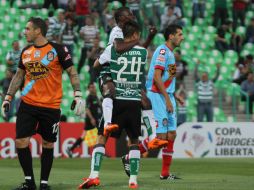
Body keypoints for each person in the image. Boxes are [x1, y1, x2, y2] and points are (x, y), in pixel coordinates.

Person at [1, 17, 84, 190]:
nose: (25, 32)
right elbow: (18, 77)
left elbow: (72, 72)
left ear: (38, 30)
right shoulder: (26, 51)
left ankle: (44, 183)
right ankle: (30, 182)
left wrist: (77, 95)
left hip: (51, 106)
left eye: (28, 28)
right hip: (28, 104)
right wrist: (8, 97)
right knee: (21, 142)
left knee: (48, 144)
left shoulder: (58, 50)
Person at [78, 20, 146, 189]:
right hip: (134, 101)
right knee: (134, 140)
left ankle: (94, 175)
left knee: (102, 137)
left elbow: (96, 65)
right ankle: (133, 180)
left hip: (117, 100)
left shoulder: (111, 50)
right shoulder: (143, 52)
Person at [122, 24, 185, 180]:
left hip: (167, 95)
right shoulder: (162, 51)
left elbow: (168, 79)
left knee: (172, 135)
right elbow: (157, 78)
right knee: (161, 138)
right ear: (171, 36)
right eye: (179, 34)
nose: (182, 37)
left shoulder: (171, 54)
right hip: (158, 96)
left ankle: (165, 173)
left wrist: (174, 96)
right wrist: (167, 100)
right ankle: (129, 157)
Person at [66, 82, 102, 157]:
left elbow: (99, 107)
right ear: (88, 89)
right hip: (91, 119)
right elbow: (87, 109)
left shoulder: (95, 97)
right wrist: (92, 119)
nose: (93, 88)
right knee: (100, 134)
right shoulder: (89, 97)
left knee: (84, 135)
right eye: (91, 87)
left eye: (94, 87)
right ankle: (100, 152)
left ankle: (71, 149)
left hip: (96, 118)